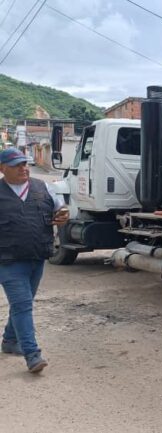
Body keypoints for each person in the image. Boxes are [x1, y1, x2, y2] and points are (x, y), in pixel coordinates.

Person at [0, 147, 68, 373]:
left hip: (37, 257)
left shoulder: (44, 188)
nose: (23, 168)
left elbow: (62, 210)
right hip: (7, 261)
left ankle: (10, 341)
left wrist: (63, 216)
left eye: (25, 164)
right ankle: (32, 355)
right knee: (22, 305)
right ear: (3, 169)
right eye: (17, 165)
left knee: (23, 303)